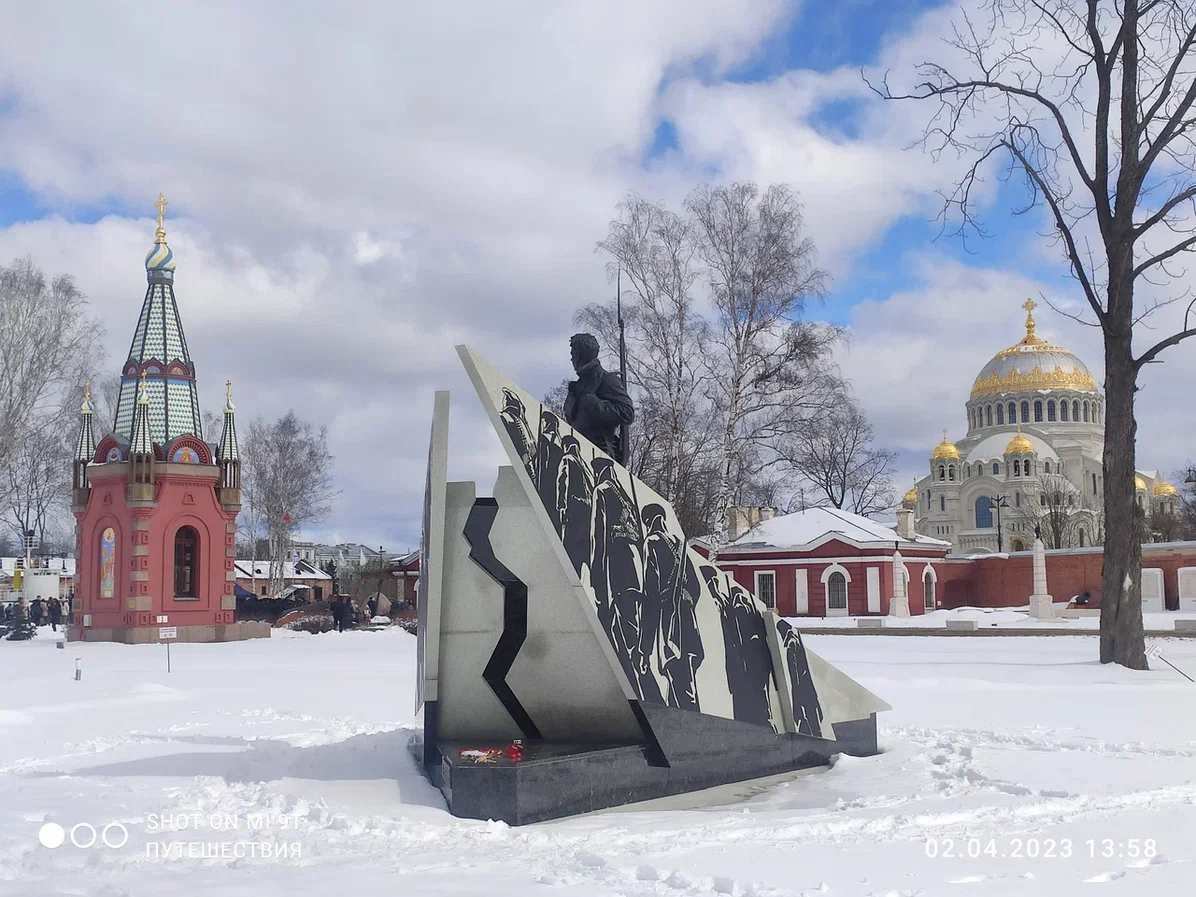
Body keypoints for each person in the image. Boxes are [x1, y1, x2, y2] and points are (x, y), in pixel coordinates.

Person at [563, 333, 635, 463]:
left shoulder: (606, 380)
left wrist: (593, 403)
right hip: (577, 454)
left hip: (599, 457)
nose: (571, 358)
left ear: (579, 355)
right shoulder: (577, 386)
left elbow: (627, 412)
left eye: (573, 353)